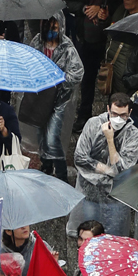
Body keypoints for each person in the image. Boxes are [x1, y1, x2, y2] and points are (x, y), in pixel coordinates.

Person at [70, 92, 138, 236]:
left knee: (113, 238)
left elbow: (122, 170)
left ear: (130, 113)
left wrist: (110, 140)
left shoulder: (133, 135)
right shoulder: (93, 124)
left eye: (123, 115)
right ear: (108, 109)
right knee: (89, 235)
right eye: (114, 114)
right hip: (90, 192)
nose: (118, 119)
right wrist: (108, 170)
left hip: (115, 197)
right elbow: (79, 158)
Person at [28, 16, 83, 180]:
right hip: (39, 98)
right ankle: (46, 165)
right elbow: (29, 64)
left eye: (55, 28)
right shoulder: (37, 42)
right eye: (48, 27)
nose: (52, 31)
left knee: (52, 138)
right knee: (41, 135)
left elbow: (77, 73)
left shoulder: (67, 48)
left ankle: (60, 172)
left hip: (58, 100)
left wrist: (57, 80)